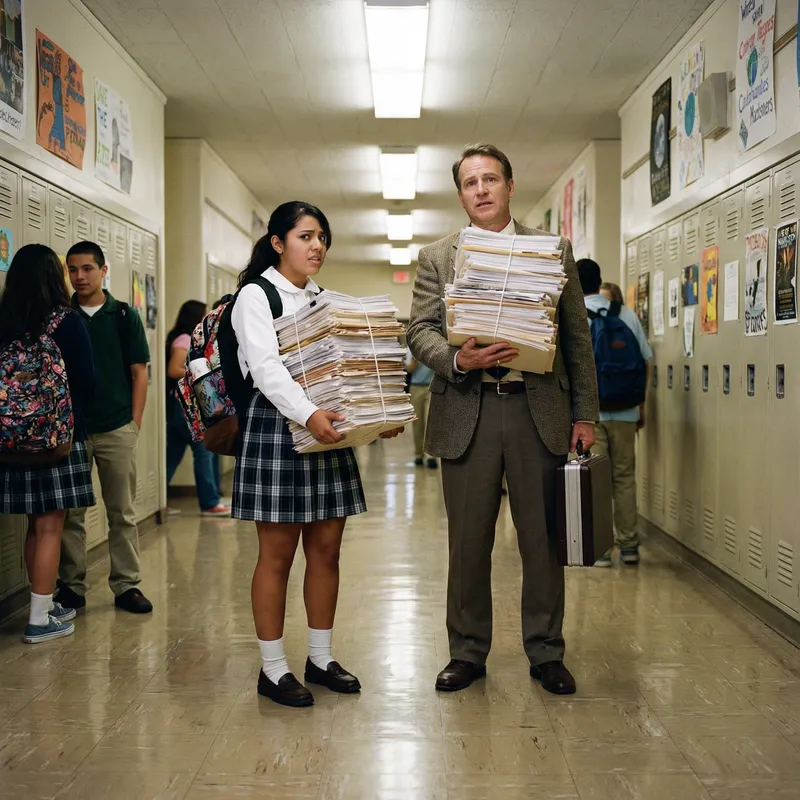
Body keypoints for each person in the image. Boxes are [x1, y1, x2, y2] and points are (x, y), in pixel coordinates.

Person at [408, 144, 598, 696]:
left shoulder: (551, 250)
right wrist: (456, 358)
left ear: (510, 186)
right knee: (468, 542)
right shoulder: (437, 256)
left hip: (538, 409)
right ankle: (466, 651)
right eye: (471, 182)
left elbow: (577, 340)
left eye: (491, 179)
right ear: (461, 194)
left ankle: (545, 651)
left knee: (542, 539)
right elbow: (418, 330)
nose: (482, 190)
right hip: (468, 409)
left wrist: (586, 413)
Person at [230, 201, 402, 708]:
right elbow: (266, 371)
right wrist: (308, 415)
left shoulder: (326, 298)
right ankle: (273, 668)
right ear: (279, 243)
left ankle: (321, 658)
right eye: (306, 236)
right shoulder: (255, 296)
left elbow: (351, 363)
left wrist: (378, 415)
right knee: (278, 556)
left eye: (322, 237)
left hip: (328, 430)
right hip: (280, 428)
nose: (317, 246)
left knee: (327, 550)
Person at [0, 245, 96, 643]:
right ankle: (39, 619)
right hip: (57, 440)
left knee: (33, 527)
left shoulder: (4, 321)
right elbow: (86, 383)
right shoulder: (67, 322)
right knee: (51, 526)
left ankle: (43, 602)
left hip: (11, 443)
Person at [55, 241, 153, 615]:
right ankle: (72, 587)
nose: (80, 277)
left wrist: (134, 423)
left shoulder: (124, 315)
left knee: (121, 511)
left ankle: (127, 585)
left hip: (116, 427)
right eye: (73, 270)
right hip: (73, 430)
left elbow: (139, 373)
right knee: (71, 513)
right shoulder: (62, 316)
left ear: (103, 270)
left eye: (87, 269)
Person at [578, 258, 652, 567]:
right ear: (599, 281)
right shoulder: (626, 314)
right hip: (624, 409)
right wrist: (640, 405)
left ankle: (602, 550)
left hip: (589, 417)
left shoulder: (574, 317)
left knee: (596, 480)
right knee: (624, 477)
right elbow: (645, 359)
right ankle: (630, 546)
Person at [165, 300, 230, 516]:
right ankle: (210, 502)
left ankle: (158, 501)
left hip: (178, 407)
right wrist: (201, 374)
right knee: (204, 451)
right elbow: (174, 370)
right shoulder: (185, 339)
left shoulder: (183, 337)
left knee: (172, 454)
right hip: (187, 407)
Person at [405, 347, 437, 468]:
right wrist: (417, 358)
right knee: (418, 423)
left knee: (432, 421)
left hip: (432, 388)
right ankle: (418, 454)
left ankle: (431, 456)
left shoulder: (433, 346)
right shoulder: (411, 349)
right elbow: (409, 369)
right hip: (416, 387)